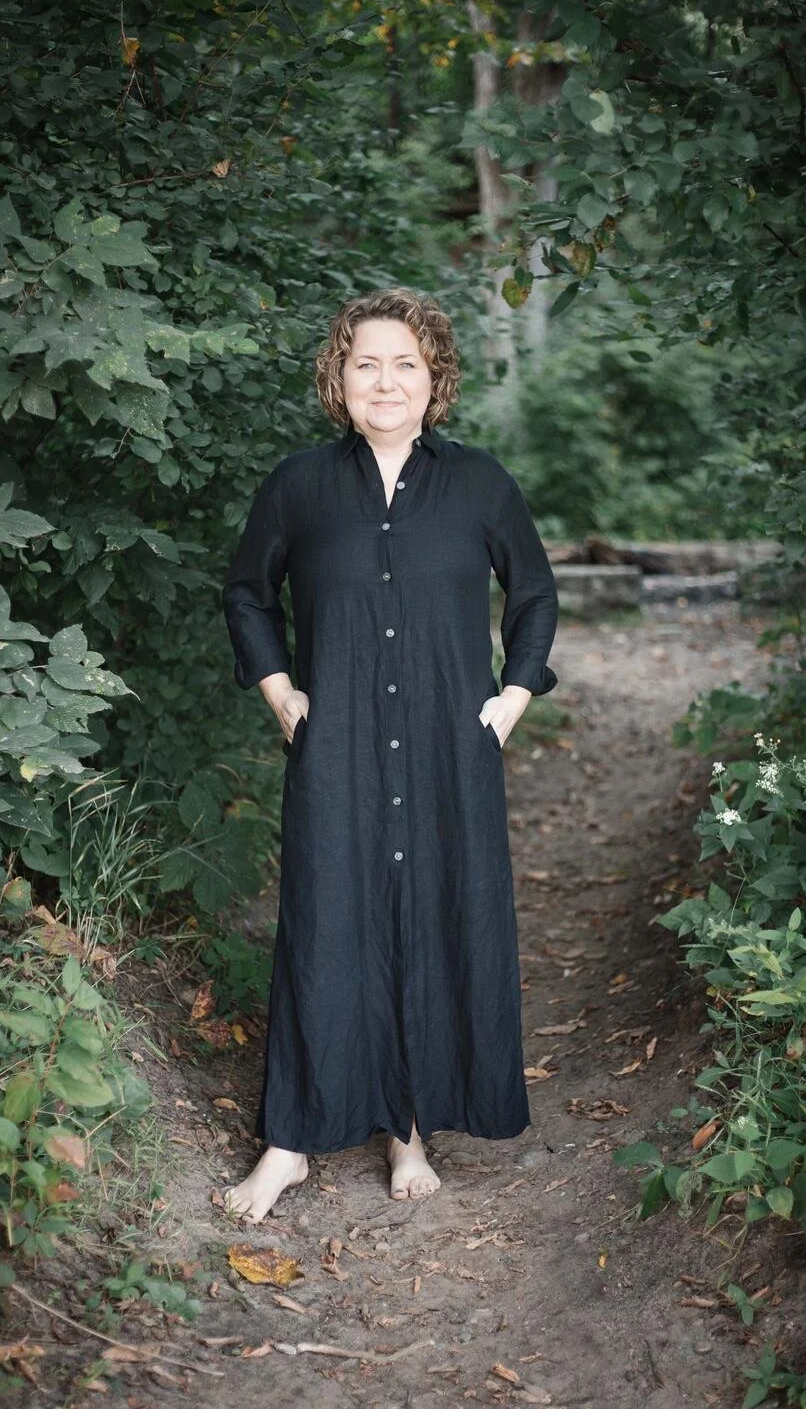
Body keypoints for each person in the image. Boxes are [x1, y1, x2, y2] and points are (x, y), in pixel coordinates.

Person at [220, 286, 559, 1223]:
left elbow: (533, 594)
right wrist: (280, 690)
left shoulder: (481, 483)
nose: (386, 379)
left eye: (405, 363)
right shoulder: (299, 484)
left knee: (439, 914)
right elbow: (247, 592)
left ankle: (408, 1128)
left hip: (453, 749)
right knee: (327, 922)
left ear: (434, 377)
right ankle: (288, 1143)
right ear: (339, 375)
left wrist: (513, 700)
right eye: (366, 362)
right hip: (339, 749)